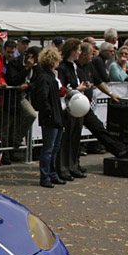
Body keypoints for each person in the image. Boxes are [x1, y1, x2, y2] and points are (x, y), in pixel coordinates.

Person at [29, 47, 64, 188]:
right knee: (49, 148)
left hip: (55, 114)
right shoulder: (45, 77)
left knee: (54, 148)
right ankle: (46, 176)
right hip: (51, 115)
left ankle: (51, 174)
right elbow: (42, 97)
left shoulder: (50, 76)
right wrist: (48, 112)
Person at [56, 38, 86, 181]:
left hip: (78, 107)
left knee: (75, 137)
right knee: (66, 139)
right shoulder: (62, 67)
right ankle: (63, 168)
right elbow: (62, 88)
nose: (80, 52)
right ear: (73, 50)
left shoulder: (75, 66)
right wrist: (76, 89)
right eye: (79, 49)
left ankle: (73, 165)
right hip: (67, 107)